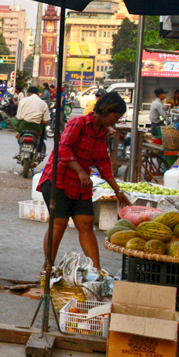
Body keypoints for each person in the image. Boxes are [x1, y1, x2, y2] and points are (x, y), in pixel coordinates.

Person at [37, 91, 130, 270]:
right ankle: (48, 266)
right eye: (115, 116)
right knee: (59, 223)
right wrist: (80, 170)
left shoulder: (103, 134)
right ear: (106, 110)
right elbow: (63, 149)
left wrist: (117, 191)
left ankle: (97, 270)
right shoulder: (78, 123)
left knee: (86, 223)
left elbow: (104, 164)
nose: (116, 121)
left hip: (81, 184)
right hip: (59, 180)